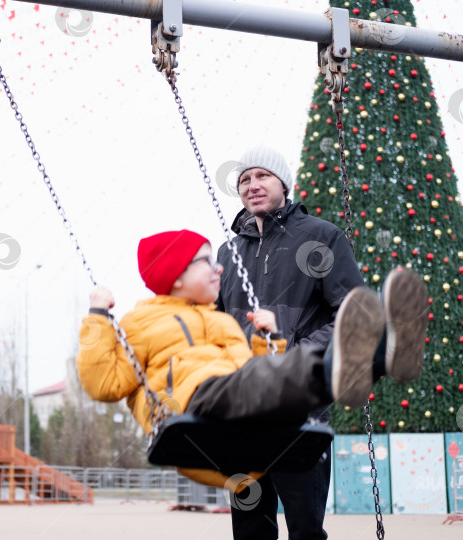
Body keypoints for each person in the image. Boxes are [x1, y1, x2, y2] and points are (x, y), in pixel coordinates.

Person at [76, 229, 428, 492]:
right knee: (265, 378)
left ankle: (381, 357)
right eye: (206, 262)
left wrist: (270, 340)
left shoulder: (222, 321)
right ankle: (347, 361)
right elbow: (105, 383)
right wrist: (97, 316)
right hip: (193, 407)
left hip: (244, 415)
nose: (218, 269)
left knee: (274, 380)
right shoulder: (140, 323)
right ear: (177, 275)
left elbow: (249, 371)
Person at [215, 146, 399, 539]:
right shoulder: (227, 254)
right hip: (244, 407)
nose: (252, 185)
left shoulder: (320, 236)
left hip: (300, 405)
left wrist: (294, 353)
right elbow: (216, 327)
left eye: (262, 176)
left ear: (283, 183)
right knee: (249, 527)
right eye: (245, 180)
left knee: (304, 525)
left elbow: (353, 318)